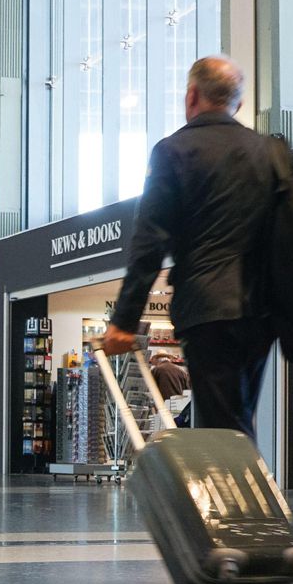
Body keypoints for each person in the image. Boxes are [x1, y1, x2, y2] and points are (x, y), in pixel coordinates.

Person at [100, 56, 278, 441]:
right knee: (238, 422)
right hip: (260, 313)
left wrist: (124, 320)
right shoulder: (266, 151)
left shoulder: (173, 152)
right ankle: (236, 497)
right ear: (238, 104)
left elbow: (149, 242)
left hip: (207, 311)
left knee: (221, 430)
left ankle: (235, 501)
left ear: (192, 95)